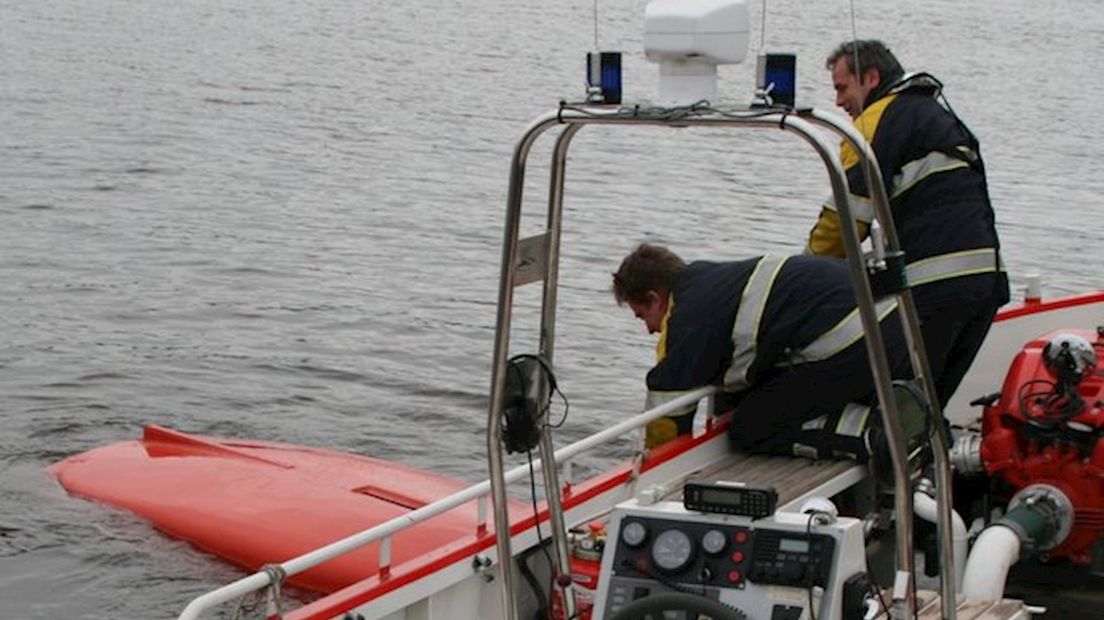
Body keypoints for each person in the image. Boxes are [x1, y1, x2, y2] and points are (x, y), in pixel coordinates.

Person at [809, 40, 1009, 408]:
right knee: (930, 405)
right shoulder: (935, 116)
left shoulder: (871, 123)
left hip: (936, 288)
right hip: (986, 285)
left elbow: (844, 223)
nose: (838, 102)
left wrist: (805, 274)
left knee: (902, 411)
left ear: (870, 78)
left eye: (841, 88)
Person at [612, 243, 912, 458]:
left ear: (654, 298)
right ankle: (893, 416)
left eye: (643, 316)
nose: (650, 329)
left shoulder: (687, 318)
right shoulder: (712, 281)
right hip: (888, 323)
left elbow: (668, 399)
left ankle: (877, 437)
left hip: (853, 341)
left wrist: (656, 461)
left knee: (751, 428)